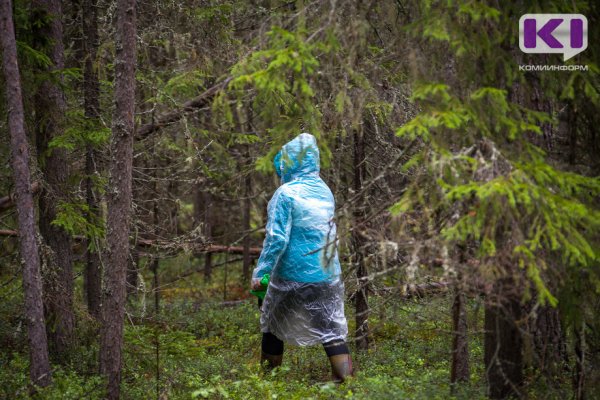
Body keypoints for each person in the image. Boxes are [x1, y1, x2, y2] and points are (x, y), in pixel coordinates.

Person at [251, 133, 353, 383]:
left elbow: (276, 239)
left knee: (272, 325)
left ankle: (267, 381)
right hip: (327, 274)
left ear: (290, 163)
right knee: (331, 330)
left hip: (291, 276)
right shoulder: (325, 191)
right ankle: (347, 381)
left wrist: (260, 273)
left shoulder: (285, 194)